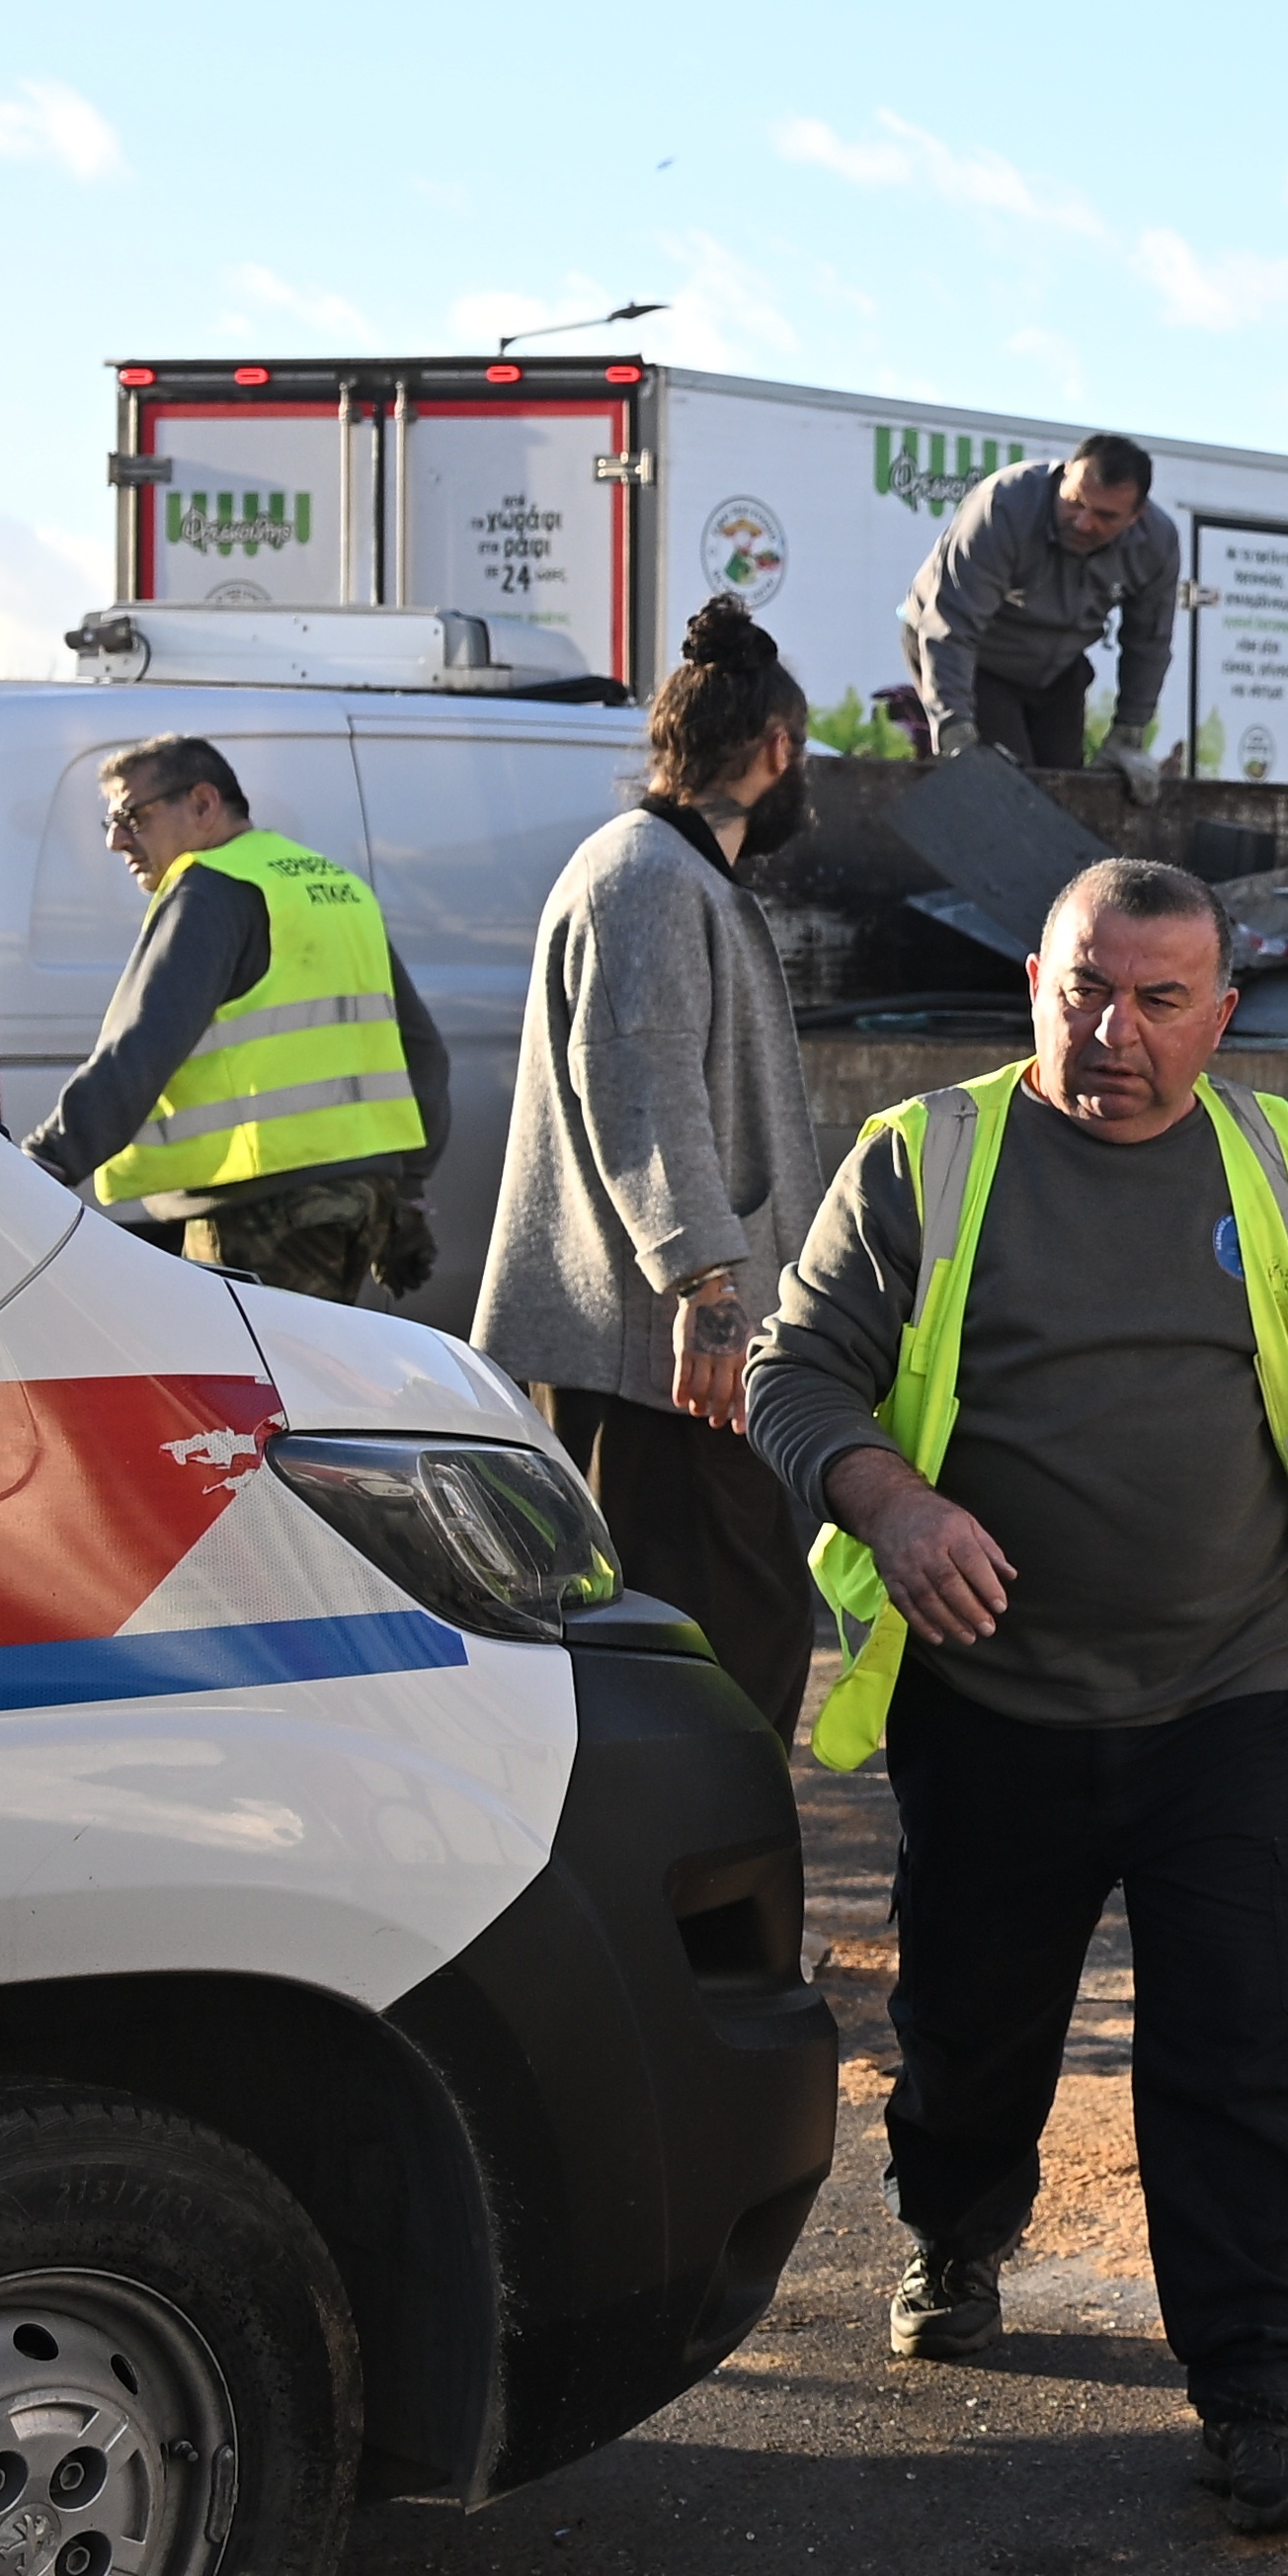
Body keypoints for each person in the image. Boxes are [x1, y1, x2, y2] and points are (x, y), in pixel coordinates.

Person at [748, 853, 1288, 2536]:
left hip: (1228, 1686)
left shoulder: (1271, 1152)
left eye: (1157, 999)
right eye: (1081, 990)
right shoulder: (924, 1157)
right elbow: (792, 1369)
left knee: (1245, 2032)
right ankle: (954, 2225)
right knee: (973, 2024)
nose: (1114, 1032)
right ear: (1033, 984)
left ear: (1218, 1014)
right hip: (995, 1699)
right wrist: (891, 1502)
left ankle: (1262, 2390)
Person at [471, 597, 835, 1745]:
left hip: (664, 1348)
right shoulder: (646, 879)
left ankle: (701, 1896)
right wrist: (707, 1290)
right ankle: (698, 1900)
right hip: (658, 1357)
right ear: (775, 749)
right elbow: (645, 1087)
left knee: (727, 1629)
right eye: (803, 756)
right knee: (710, 1647)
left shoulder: (669, 874)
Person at [29, 736, 455, 1302]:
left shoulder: (208, 890)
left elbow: (140, 1050)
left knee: (261, 1386)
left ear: (204, 804)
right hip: (360, 1199)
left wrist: (41, 1165)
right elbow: (423, 1052)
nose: (115, 840)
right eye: (110, 821)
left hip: (265, 1209)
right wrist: (406, 1193)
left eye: (132, 815)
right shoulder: (334, 885)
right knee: (316, 1376)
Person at [901, 432, 1187, 797]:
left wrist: (1129, 733)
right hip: (975, 658)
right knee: (1008, 790)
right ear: (1065, 474)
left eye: (1104, 515)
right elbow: (951, 625)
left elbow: (1149, 643)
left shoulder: (1157, 543)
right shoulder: (1004, 505)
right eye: (1075, 503)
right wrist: (954, 728)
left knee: (1067, 789)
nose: (1084, 523)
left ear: (1136, 516)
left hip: (1055, 667)